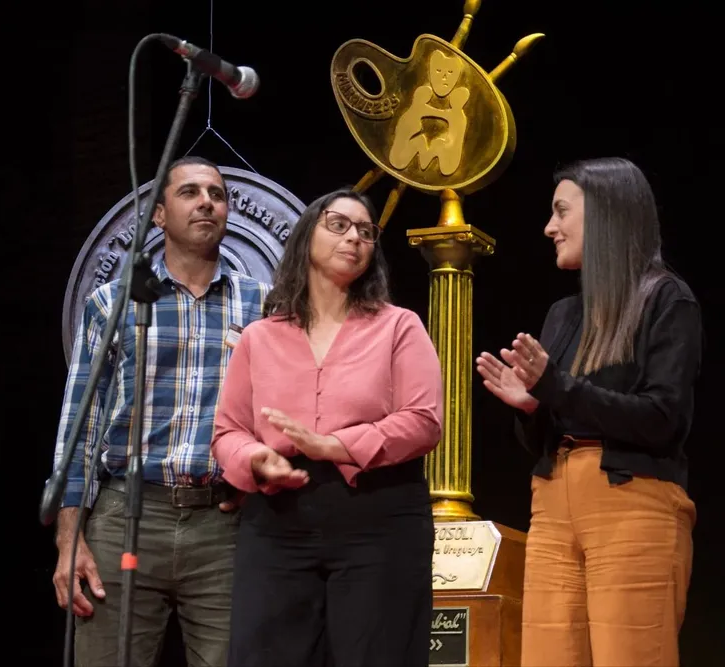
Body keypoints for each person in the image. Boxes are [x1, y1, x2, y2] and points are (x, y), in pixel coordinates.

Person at [476, 157, 703, 667]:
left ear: (605, 215)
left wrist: (557, 388)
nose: (549, 228)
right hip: (554, 503)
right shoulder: (564, 313)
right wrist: (534, 406)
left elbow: (662, 418)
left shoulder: (665, 299)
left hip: (631, 501)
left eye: (562, 212)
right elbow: (545, 432)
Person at [49, 155, 272, 666]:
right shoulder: (114, 302)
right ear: (158, 214)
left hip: (224, 525)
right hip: (126, 513)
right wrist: (70, 539)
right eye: (190, 192)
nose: (206, 203)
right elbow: (78, 427)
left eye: (216, 194)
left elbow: (285, 410)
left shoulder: (264, 306)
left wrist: (255, 478)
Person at [211, 187, 443, 667]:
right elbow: (228, 431)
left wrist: (334, 444)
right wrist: (255, 459)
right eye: (338, 224)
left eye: (366, 231)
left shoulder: (399, 326)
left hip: (378, 516)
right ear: (305, 238)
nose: (354, 237)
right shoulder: (260, 336)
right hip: (280, 518)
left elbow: (423, 421)